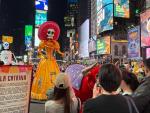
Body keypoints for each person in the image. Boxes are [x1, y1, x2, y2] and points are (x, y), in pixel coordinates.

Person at [31, 21, 64, 100]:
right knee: (43, 76)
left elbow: (58, 51)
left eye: (53, 33)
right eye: (49, 32)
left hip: (52, 61)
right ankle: (43, 92)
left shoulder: (55, 43)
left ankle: (55, 91)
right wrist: (43, 56)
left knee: (54, 75)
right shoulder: (43, 42)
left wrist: (61, 53)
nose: (51, 34)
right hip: (45, 61)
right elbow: (39, 52)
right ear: (46, 33)